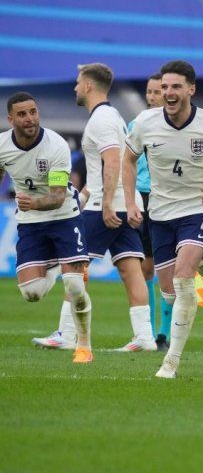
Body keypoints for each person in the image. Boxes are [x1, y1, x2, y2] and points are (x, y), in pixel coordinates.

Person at [123, 60, 203, 378]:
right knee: (169, 292)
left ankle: (171, 362)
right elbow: (127, 159)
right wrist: (130, 200)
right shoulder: (146, 123)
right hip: (160, 214)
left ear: (191, 89)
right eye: (164, 87)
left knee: (182, 281)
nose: (168, 92)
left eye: (176, 86)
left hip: (197, 210)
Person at [1, 93, 93, 363]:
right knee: (32, 293)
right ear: (11, 119)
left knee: (75, 285)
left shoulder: (55, 145)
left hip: (64, 216)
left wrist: (33, 202)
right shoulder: (3, 146)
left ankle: (84, 346)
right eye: (22, 114)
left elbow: (57, 196)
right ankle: (57, 264)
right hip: (30, 222)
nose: (29, 118)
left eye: (33, 112)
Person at [74, 63, 155, 351]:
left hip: (105, 205)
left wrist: (106, 202)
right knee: (130, 268)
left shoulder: (101, 119)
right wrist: (84, 196)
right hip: (117, 201)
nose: (75, 87)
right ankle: (145, 337)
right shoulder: (112, 115)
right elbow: (102, 168)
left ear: (88, 86)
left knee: (74, 264)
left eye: (78, 81)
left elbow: (112, 160)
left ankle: (67, 332)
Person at [130, 73, 170, 351]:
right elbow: (126, 162)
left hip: (168, 197)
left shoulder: (176, 124)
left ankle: (165, 333)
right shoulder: (137, 124)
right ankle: (151, 332)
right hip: (143, 196)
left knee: (169, 267)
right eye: (150, 91)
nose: (154, 96)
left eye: (158, 91)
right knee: (146, 267)